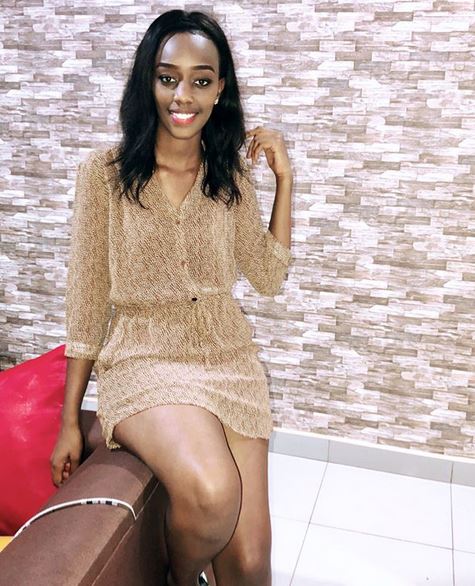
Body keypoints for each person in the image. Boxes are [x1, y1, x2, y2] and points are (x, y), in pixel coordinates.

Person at [50, 9, 293, 586]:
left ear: (219, 89)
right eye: (168, 77)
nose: (183, 95)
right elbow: (87, 299)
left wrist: (286, 180)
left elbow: (268, 276)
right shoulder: (104, 175)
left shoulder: (229, 177)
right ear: (149, 81)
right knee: (213, 494)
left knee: (250, 567)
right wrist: (69, 420)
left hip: (228, 358)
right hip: (144, 356)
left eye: (201, 80)